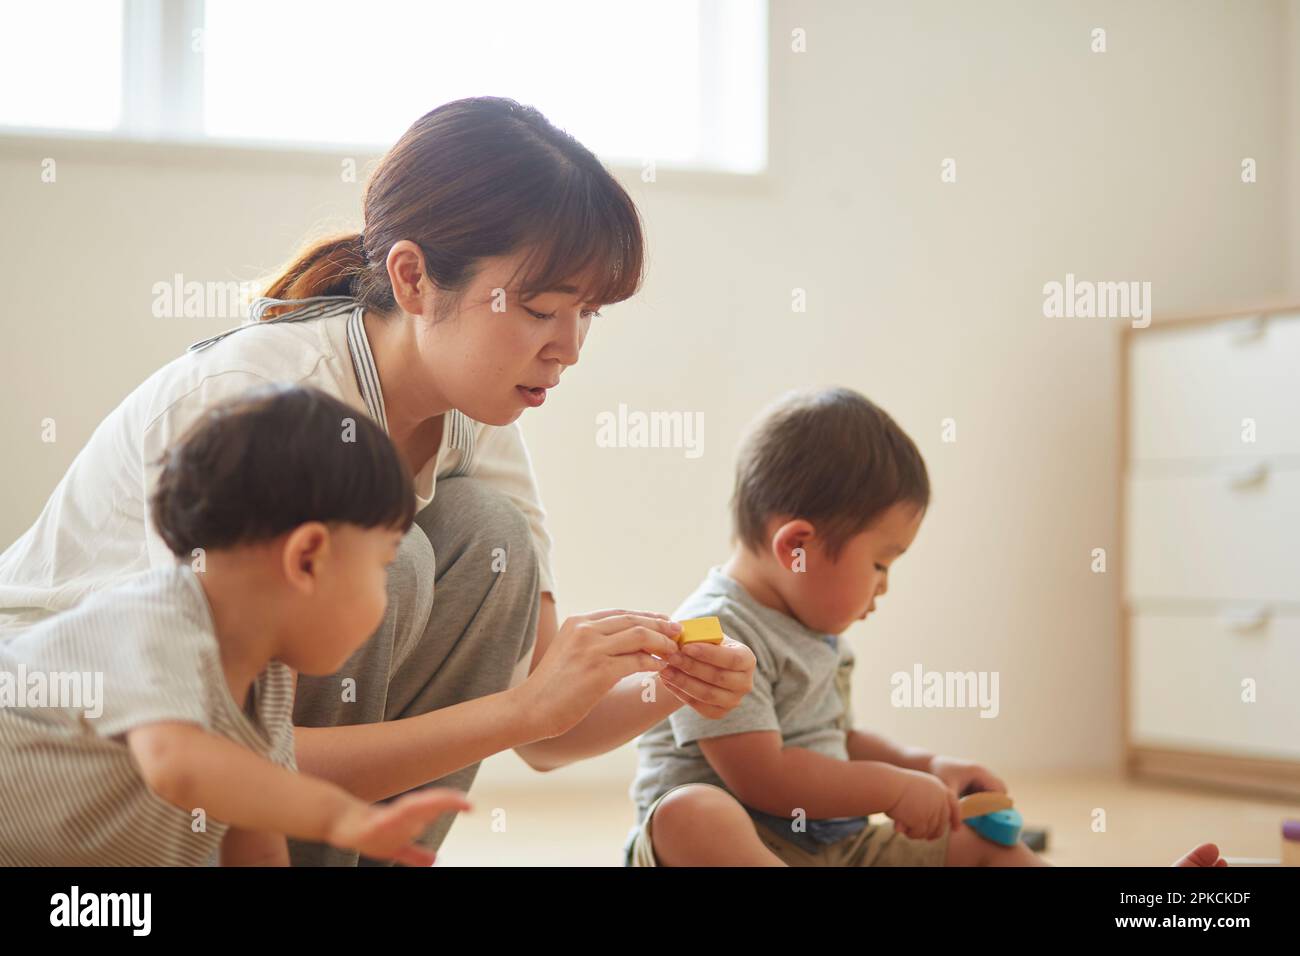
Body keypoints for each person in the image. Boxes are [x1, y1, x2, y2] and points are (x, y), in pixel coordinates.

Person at [0, 97, 756, 866]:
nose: (569, 348)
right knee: (384, 555)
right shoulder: (263, 411)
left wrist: (671, 686)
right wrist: (520, 710)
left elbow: (544, 729)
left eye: (586, 314)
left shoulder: (477, 408)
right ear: (413, 277)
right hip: (79, 756)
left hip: (224, 751)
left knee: (489, 537)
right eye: (539, 310)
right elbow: (222, 751)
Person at [626, 386, 1227, 868]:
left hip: (837, 848)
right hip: (739, 845)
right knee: (694, 815)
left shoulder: (814, 631)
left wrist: (924, 766)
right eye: (881, 562)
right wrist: (888, 790)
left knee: (985, 846)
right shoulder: (711, 635)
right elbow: (766, 777)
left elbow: (836, 741)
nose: (884, 584)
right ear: (799, 547)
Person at [0, 386, 470, 866]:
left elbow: (257, 848)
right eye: (382, 562)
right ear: (307, 558)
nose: (386, 593)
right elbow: (176, 766)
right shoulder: (154, 619)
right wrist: (338, 817)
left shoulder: (263, 693)